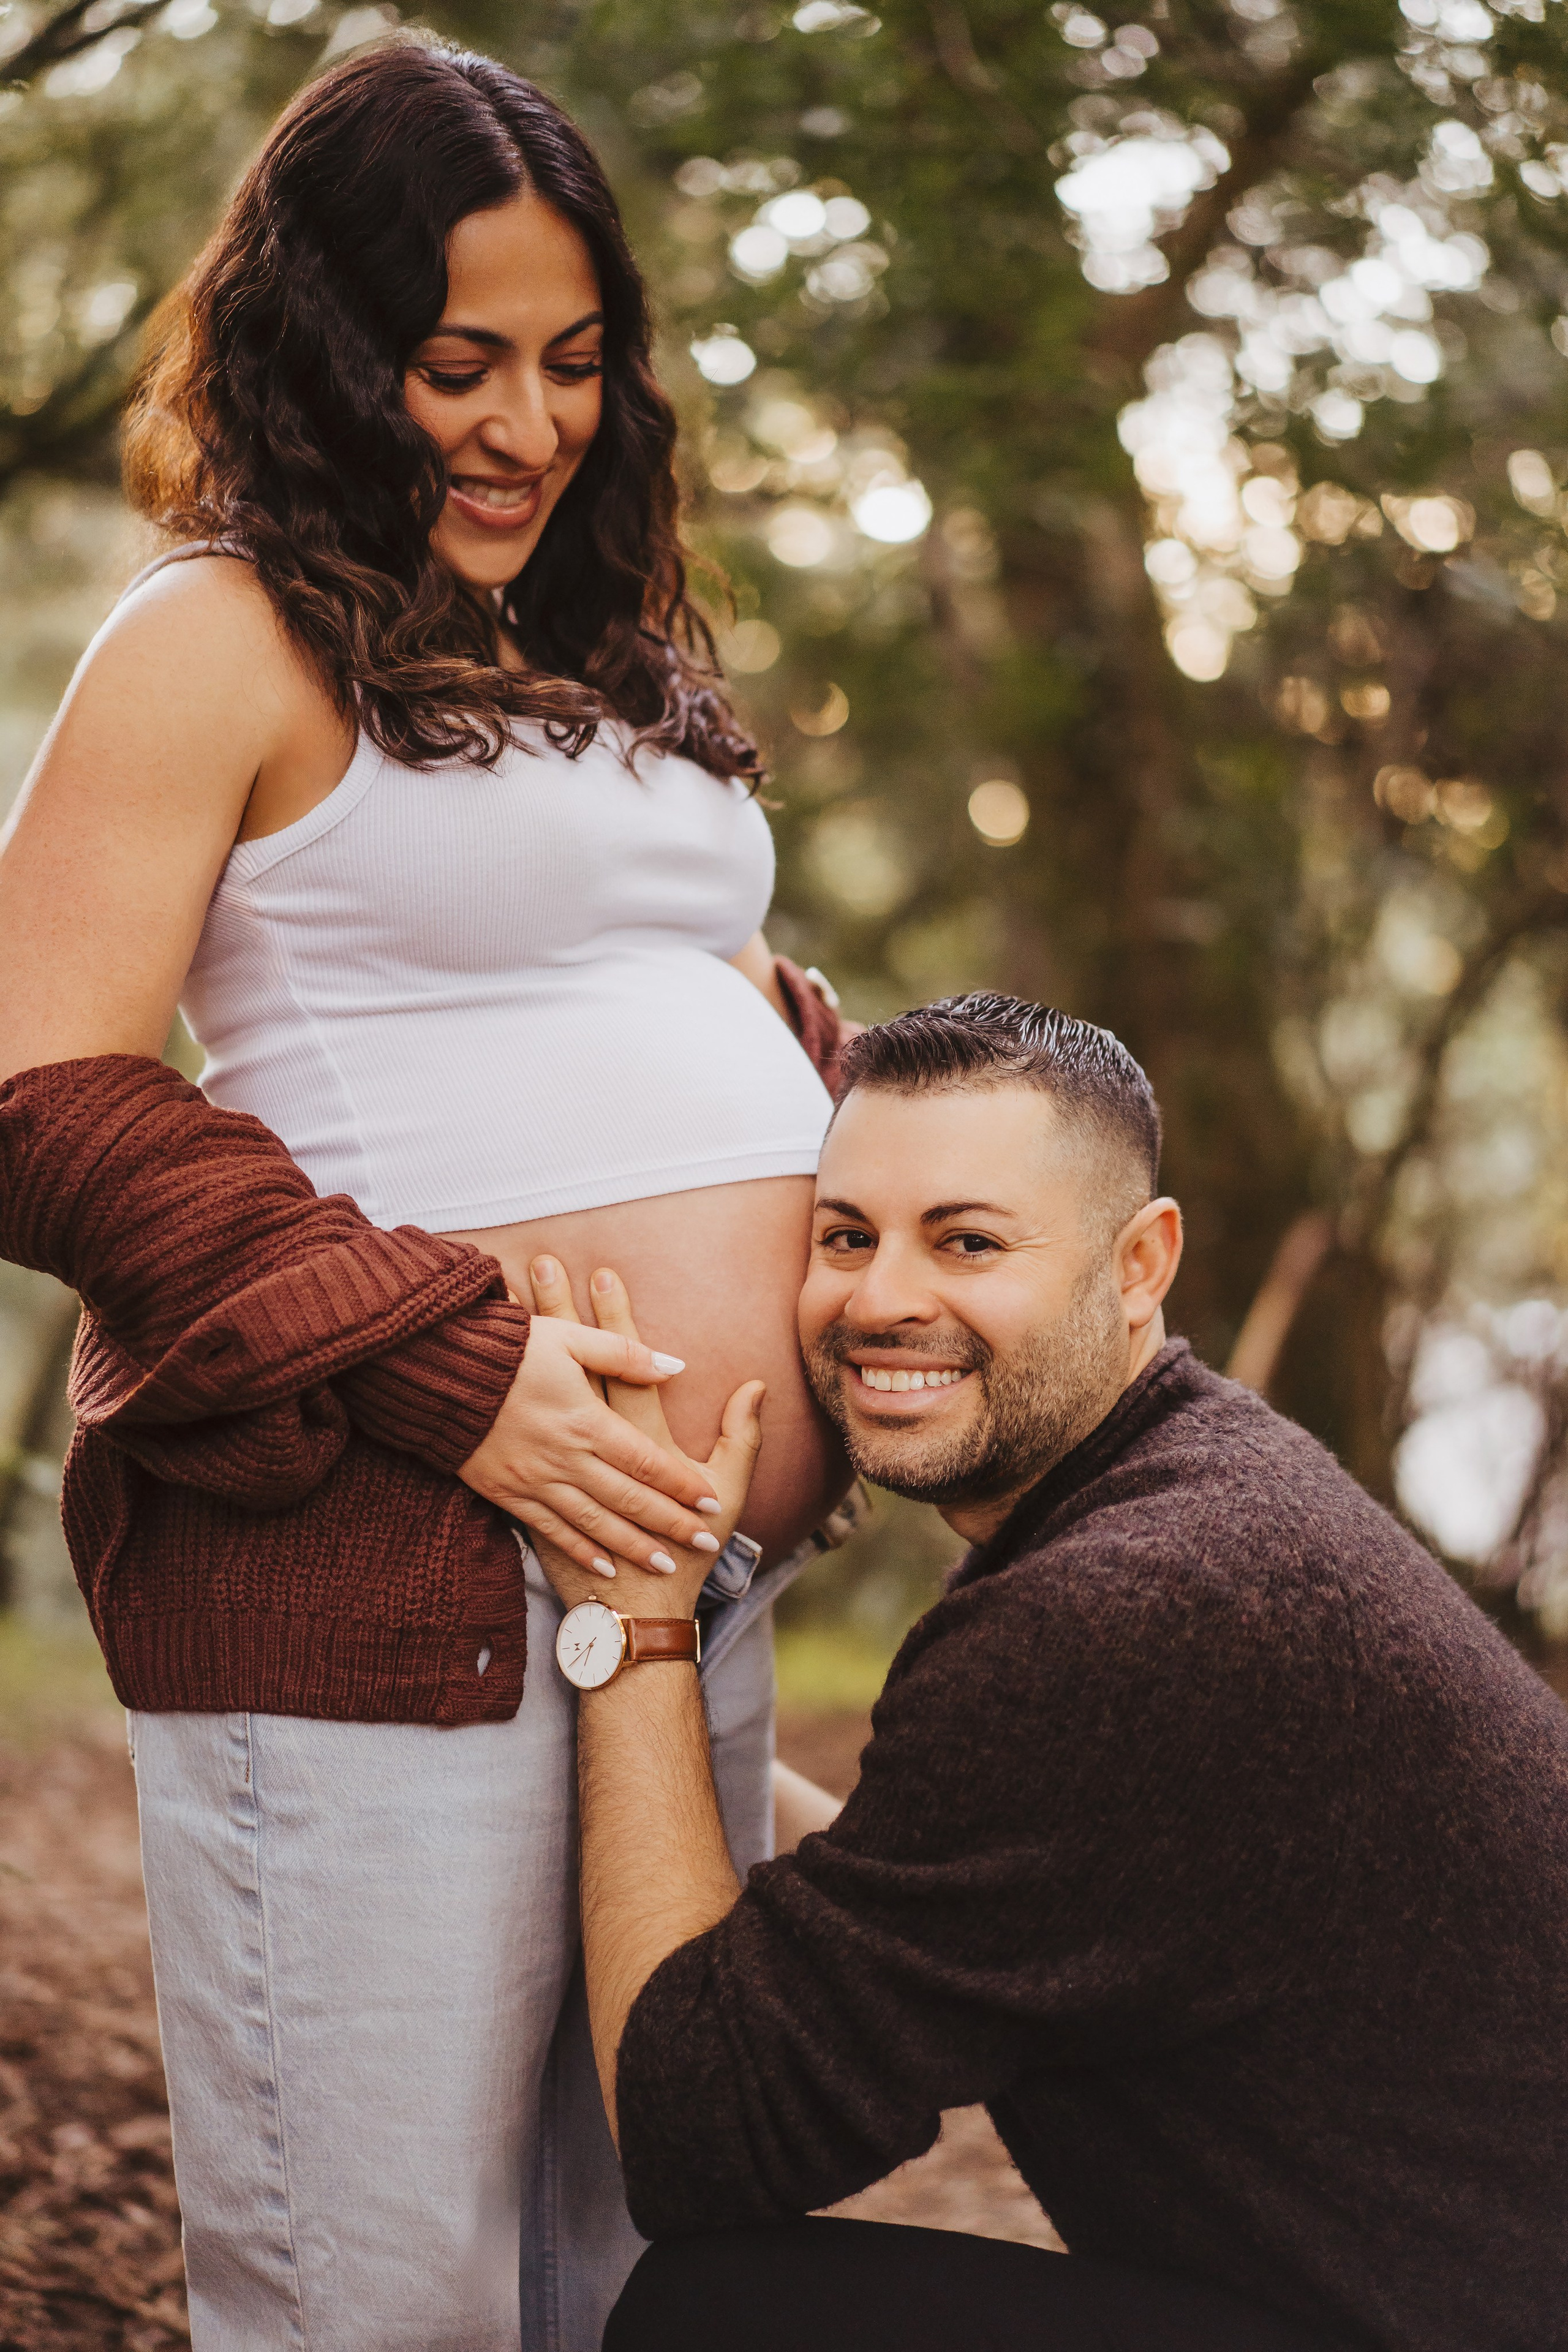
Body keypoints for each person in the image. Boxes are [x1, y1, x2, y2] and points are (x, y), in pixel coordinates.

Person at [0, 36, 858, 2352]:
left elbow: (637, 996)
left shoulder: (598, 651)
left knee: (640, 2275)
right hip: (393, 1571)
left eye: (574, 363)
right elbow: (33, 1088)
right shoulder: (213, 638)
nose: (525, 424)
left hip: (683, 1577)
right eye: (454, 363)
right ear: (319, 352)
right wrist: (463, 1378)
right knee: (389, 2302)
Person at [533, 993, 1568, 2352]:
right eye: (845, 1237)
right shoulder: (1192, 1489)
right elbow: (940, 1883)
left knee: (718, 2317)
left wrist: (636, 1626)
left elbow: (697, 2124)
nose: (880, 1299)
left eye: (965, 1240)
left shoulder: (1124, 1614)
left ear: (1138, 1264)